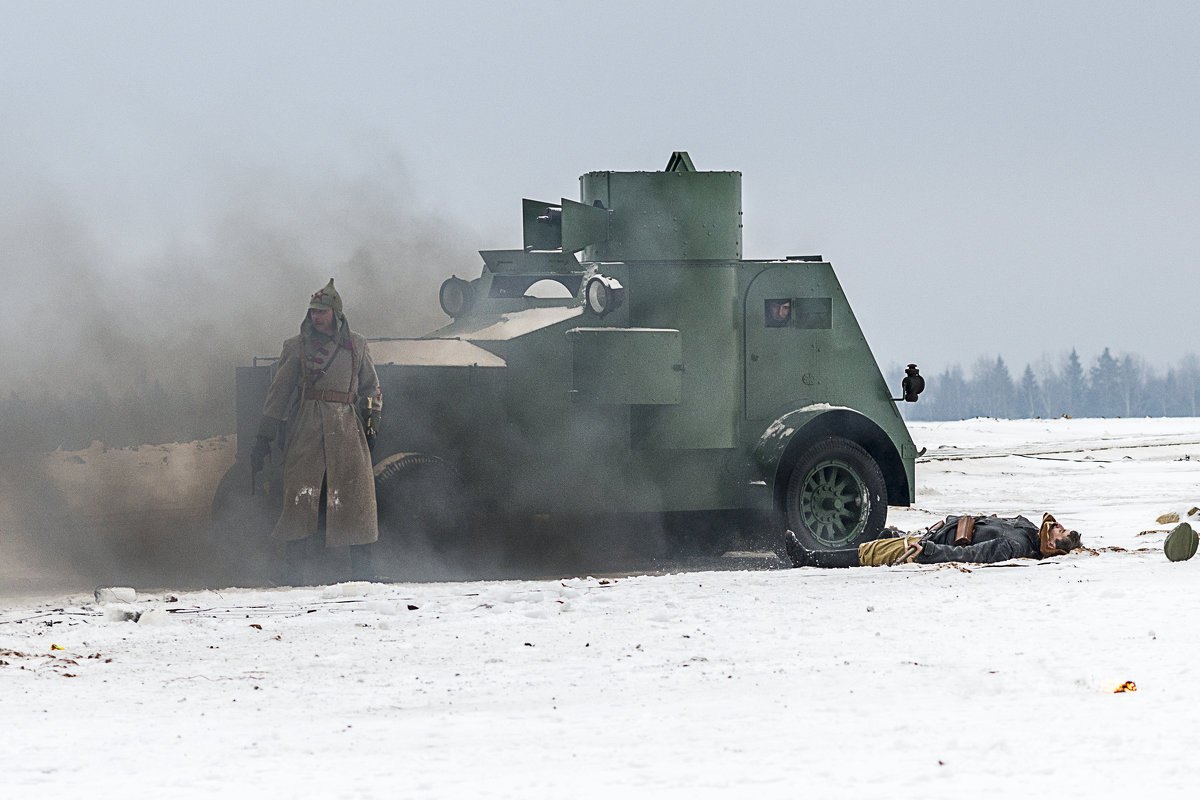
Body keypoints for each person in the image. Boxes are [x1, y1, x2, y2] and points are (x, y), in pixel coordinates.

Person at [250, 278, 383, 584]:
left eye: (321, 312)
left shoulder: (358, 345)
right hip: (307, 425)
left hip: (347, 427)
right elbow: (279, 393)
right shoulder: (296, 347)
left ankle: (363, 573)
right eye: (312, 311)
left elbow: (371, 388)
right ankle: (293, 573)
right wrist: (264, 437)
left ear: (335, 313)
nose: (315, 317)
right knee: (300, 497)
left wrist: (372, 427)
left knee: (355, 499)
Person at [784, 512, 1082, 568]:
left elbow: (970, 556)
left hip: (929, 545)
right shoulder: (1028, 529)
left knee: (872, 553)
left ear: (1053, 545)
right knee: (886, 536)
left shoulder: (1015, 546)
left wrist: (929, 550)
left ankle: (809, 558)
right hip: (937, 531)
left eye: (1061, 531)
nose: (1058, 526)